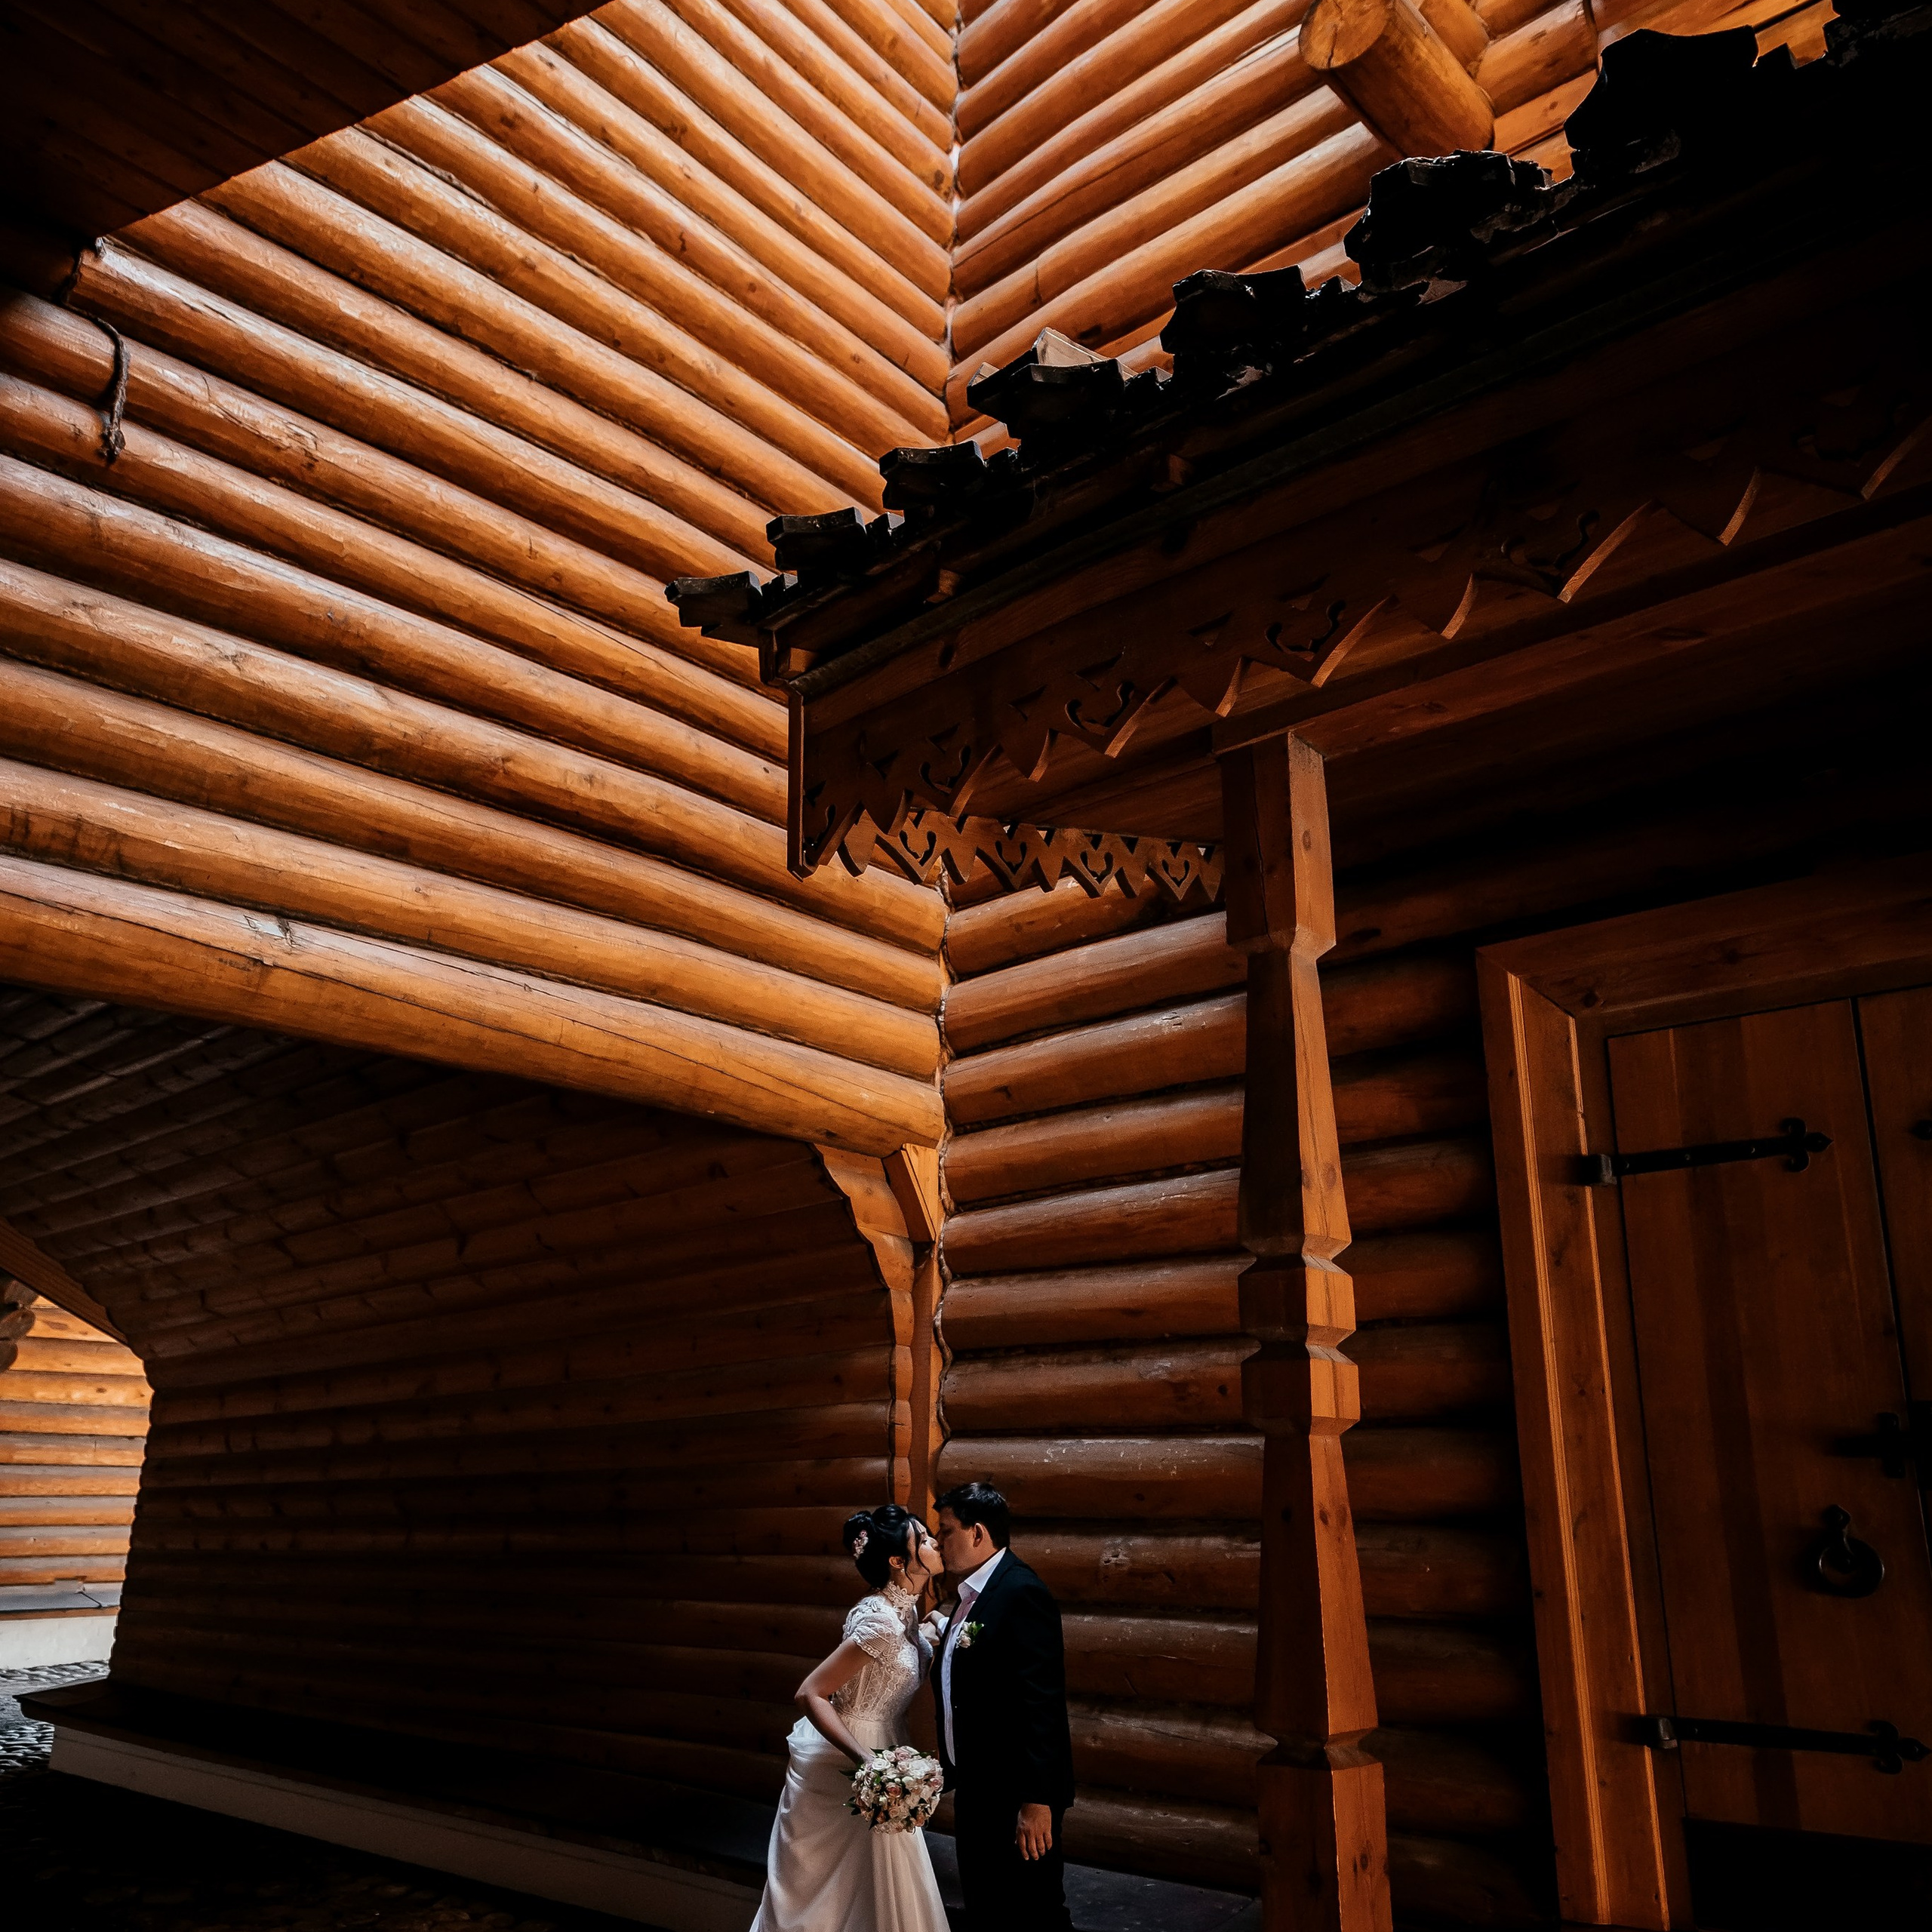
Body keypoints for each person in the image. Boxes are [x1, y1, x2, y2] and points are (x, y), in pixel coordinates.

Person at [749, 1502, 950, 1932]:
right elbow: (811, 1693)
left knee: (883, 1882)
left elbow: (897, 1660)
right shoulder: (877, 1619)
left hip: (886, 1748)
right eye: (924, 1539)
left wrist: (934, 1631)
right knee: (831, 1893)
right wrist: (870, 1763)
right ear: (899, 1561)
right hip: (850, 1757)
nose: (936, 1543)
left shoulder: (907, 1611)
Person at [931, 1481, 1076, 1931]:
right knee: (987, 1907)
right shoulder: (972, 1595)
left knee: (1033, 1911)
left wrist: (1037, 1802)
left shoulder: (1019, 1592)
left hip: (1015, 1793)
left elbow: (1042, 1703)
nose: (938, 1542)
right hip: (978, 1786)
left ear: (978, 1533)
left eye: (946, 1531)